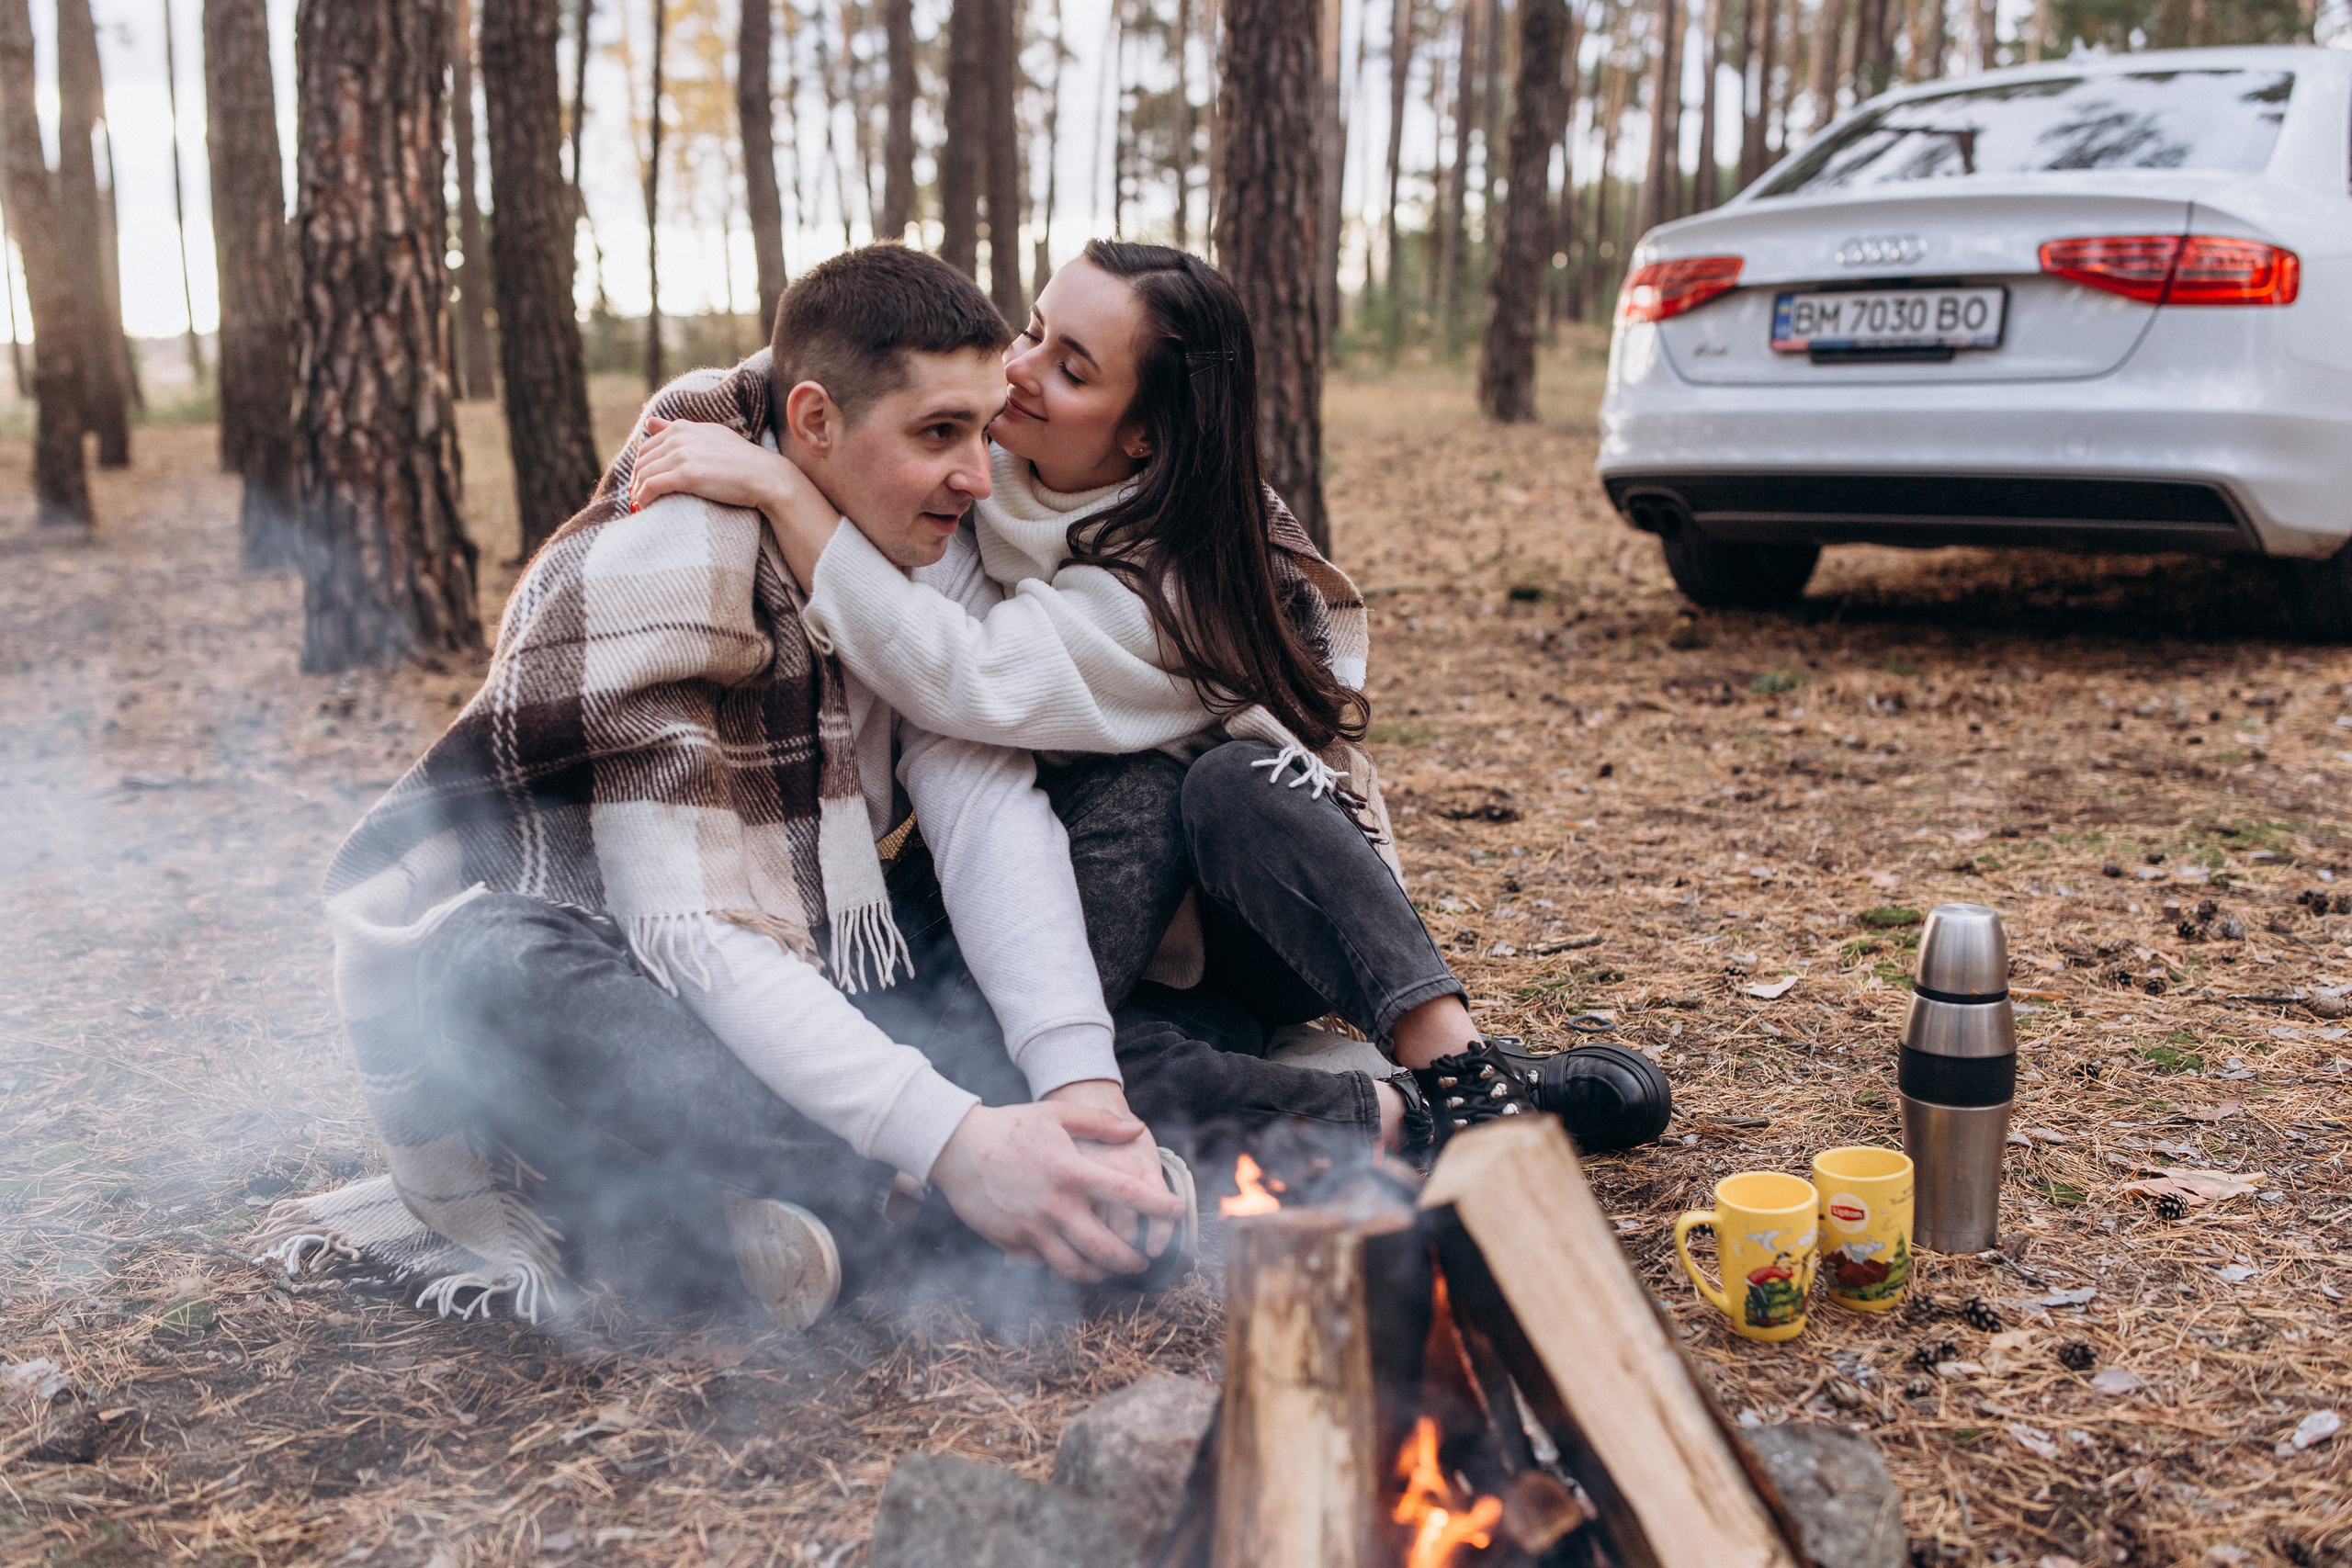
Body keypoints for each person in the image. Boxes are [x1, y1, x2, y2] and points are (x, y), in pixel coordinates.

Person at [260, 245, 1187, 1330]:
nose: (978, 476)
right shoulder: (676, 555)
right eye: (940, 433)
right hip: (637, 989)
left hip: (806, 968)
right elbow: (696, 933)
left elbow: (980, 804)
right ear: (815, 421)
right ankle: (915, 1197)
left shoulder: (927, 529)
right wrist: (956, 1141)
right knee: (486, 961)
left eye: (982, 431)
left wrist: (1081, 1088)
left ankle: (841, 1204)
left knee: (1131, 803)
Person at [628, 241, 1671, 1175]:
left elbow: (968, 677)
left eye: (1072, 368)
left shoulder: (1173, 592)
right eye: (1034, 329)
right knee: (1069, 1080)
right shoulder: (1000, 454)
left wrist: (783, 492)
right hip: (1096, 922)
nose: (1020, 369)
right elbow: (869, 378)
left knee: (1220, 781)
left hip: (1249, 910)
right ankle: (1393, 1117)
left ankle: (1461, 1069)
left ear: (1141, 439)